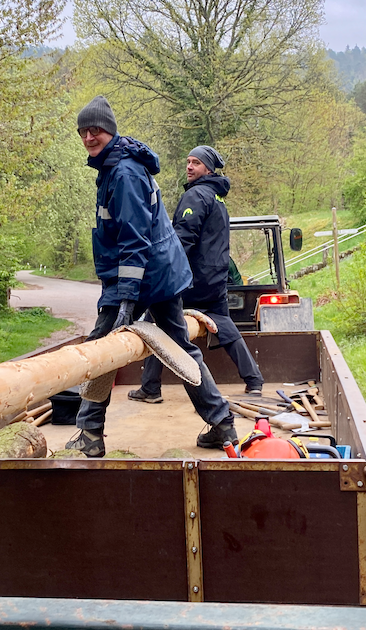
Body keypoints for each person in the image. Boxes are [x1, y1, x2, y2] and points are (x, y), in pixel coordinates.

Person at [65, 96, 236, 457]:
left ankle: (89, 434)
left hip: (144, 275)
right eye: (83, 131)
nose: (89, 137)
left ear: (109, 131)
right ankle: (223, 424)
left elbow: (133, 239)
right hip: (159, 273)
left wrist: (126, 298)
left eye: (95, 130)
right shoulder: (115, 167)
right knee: (181, 348)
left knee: (100, 351)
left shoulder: (123, 173)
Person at [127, 145, 264, 414]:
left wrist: (165, 272)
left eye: (196, 163)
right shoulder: (217, 198)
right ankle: (254, 379)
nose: (189, 167)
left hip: (193, 280)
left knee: (156, 322)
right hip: (215, 279)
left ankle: (151, 388)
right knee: (224, 325)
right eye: (188, 162)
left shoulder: (196, 196)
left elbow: (182, 240)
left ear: (208, 169)